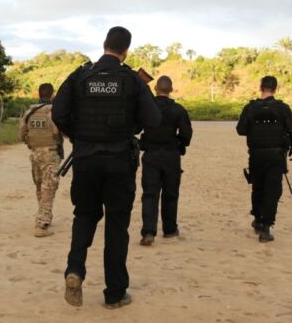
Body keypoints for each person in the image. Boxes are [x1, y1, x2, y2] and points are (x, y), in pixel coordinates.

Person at [52, 26, 162, 309]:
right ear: (126, 50)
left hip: (86, 159)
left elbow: (58, 112)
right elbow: (153, 119)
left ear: (104, 45)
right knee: (116, 225)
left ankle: (74, 269)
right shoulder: (131, 80)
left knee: (85, 215)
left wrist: (77, 137)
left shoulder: (80, 75)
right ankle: (114, 293)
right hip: (119, 162)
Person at [236, 75, 292, 242]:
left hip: (256, 154)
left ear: (260, 88)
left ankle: (257, 219)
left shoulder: (250, 107)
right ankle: (266, 227)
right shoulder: (282, 108)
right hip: (276, 155)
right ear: (276, 89)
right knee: (273, 190)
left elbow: (240, 130)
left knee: (258, 187)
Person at [139, 75, 192, 245]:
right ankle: (169, 229)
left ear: (156, 89)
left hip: (151, 154)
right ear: (171, 90)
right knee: (170, 194)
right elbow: (187, 136)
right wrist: (179, 143)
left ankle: (148, 231)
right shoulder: (178, 110)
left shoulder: (147, 108)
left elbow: (136, 127)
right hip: (171, 155)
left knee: (149, 194)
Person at [19, 83, 64, 237]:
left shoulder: (30, 112)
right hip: (50, 153)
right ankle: (42, 223)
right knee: (49, 187)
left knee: (40, 186)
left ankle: (43, 215)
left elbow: (22, 133)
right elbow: (60, 131)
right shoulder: (54, 111)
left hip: (35, 153)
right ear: (52, 94)